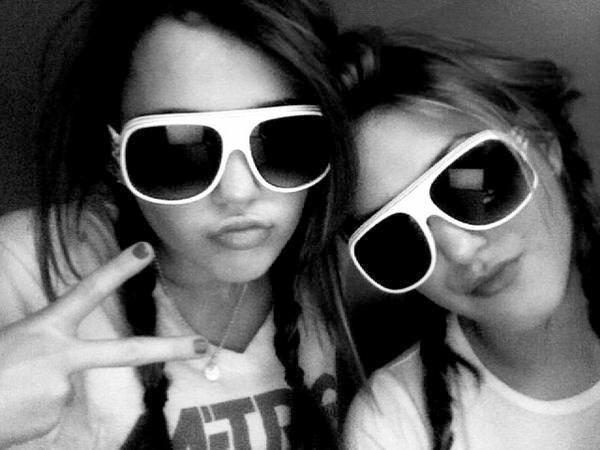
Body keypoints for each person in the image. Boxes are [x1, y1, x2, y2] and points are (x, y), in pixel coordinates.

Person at [0, 0, 356, 448]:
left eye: (283, 139)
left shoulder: (343, 268)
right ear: (114, 154)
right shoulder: (24, 267)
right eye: (176, 150)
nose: (238, 192)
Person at [338, 28, 600, 449]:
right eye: (395, 237)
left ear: (544, 146)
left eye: (473, 183)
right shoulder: (391, 424)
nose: (460, 250)